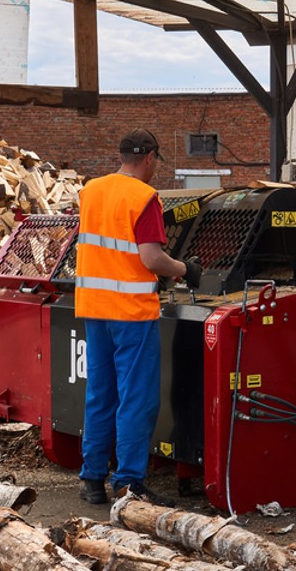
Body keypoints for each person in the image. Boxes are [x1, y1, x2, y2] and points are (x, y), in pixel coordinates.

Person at [75, 129, 202, 506]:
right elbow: (151, 258)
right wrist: (184, 269)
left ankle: (93, 480)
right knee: (136, 400)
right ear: (149, 158)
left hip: (94, 309)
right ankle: (129, 483)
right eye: (156, 162)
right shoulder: (144, 197)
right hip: (130, 312)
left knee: (100, 395)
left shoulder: (91, 191)